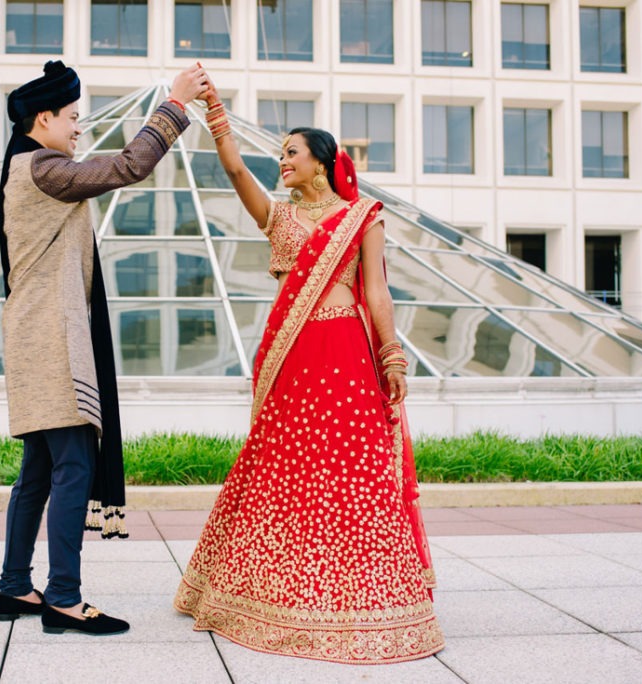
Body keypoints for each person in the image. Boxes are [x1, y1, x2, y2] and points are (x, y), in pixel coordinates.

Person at [173, 76, 445, 662]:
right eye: (280, 154)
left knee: (353, 468)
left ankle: (361, 591)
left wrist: (391, 354)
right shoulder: (280, 218)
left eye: (291, 153)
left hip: (347, 354)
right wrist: (216, 113)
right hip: (294, 358)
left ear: (322, 162)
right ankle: (271, 590)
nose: (281, 162)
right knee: (285, 465)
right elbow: (235, 172)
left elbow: (377, 291)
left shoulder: (361, 216)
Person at [0, 60, 209, 636]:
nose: (78, 129)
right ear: (43, 118)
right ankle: (63, 597)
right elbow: (129, 165)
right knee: (72, 463)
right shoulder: (43, 166)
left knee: (40, 468)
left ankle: (15, 588)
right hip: (51, 336)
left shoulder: (22, 165)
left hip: (33, 331)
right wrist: (176, 103)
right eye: (71, 118)